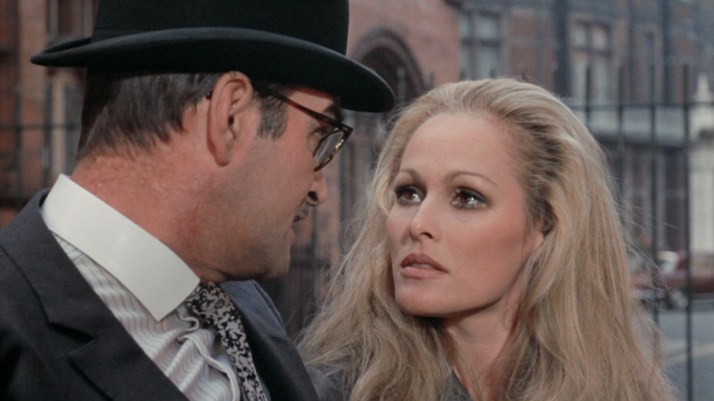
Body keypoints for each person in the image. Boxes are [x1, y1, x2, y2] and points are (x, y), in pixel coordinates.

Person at [0, 1, 394, 400]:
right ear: (230, 116)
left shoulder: (238, 299)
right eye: (320, 136)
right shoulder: (14, 335)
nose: (318, 189)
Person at [299, 78, 677, 401]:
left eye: (467, 198)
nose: (418, 224)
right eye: (409, 193)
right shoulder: (333, 390)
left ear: (545, 225)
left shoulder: (617, 389)